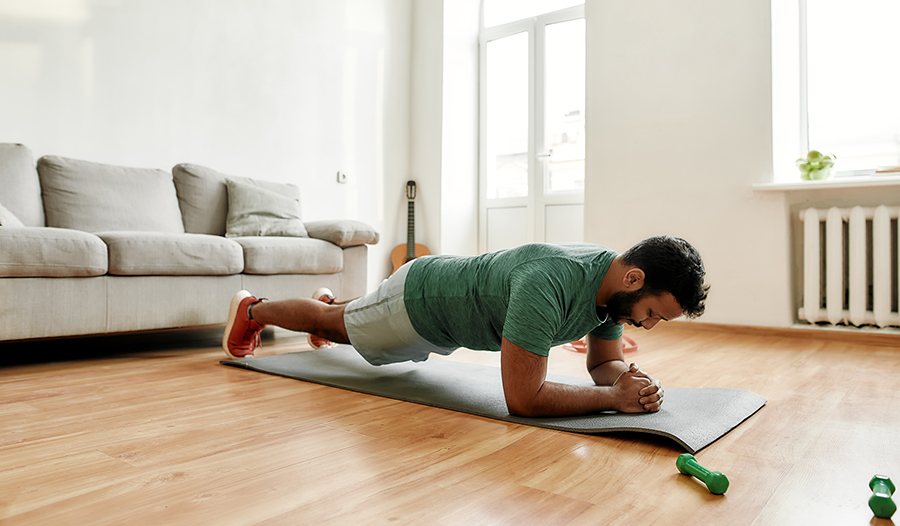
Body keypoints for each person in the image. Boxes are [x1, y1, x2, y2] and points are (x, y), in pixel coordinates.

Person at [222, 236, 709, 418]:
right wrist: (611, 400)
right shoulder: (549, 283)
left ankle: (340, 306)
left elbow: (603, 361)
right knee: (336, 324)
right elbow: (523, 399)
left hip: (438, 300)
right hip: (421, 305)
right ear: (634, 279)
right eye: (652, 314)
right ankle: (253, 310)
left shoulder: (609, 291)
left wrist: (627, 382)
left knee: (349, 315)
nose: (645, 327)